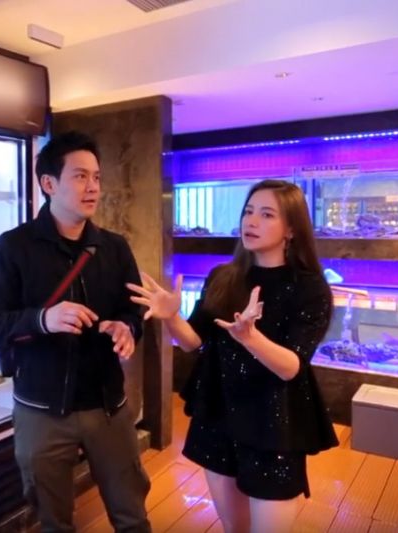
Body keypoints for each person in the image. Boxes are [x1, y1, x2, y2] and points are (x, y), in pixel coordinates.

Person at [127, 179, 338, 533]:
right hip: (219, 413)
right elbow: (194, 343)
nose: (251, 221)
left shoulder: (310, 287)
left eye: (267, 214)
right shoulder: (223, 276)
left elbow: (291, 368)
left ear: (291, 229)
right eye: (248, 211)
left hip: (274, 423)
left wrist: (250, 338)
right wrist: (172, 317)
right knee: (233, 527)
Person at [0, 131, 151, 533]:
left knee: (132, 515)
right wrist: (43, 319)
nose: (93, 187)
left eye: (97, 177)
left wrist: (127, 327)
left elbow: (133, 309)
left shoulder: (114, 247)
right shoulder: (15, 247)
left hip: (108, 406)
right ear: (49, 183)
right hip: (40, 409)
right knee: (53, 520)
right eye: (80, 176)